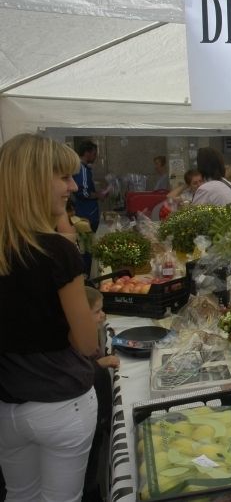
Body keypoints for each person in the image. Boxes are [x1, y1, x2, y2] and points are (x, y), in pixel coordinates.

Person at [0, 133, 99, 501]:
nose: (72, 186)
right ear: (33, 181)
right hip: (60, 403)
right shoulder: (56, 251)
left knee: (19, 494)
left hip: (8, 405)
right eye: (63, 177)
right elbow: (87, 343)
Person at [82, 286, 119, 502]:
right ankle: (90, 493)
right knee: (90, 464)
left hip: (98, 416)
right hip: (92, 421)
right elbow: (81, 372)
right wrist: (100, 364)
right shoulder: (78, 344)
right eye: (97, 311)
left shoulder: (88, 337)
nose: (103, 315)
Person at [72, 140, 106, 232]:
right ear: (87, 153)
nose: (96, 157)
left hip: (88, 214)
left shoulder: (84, 168)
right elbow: (84, 193)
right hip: (87, 215)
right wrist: (98, 195)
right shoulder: (82, 169)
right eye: (94, 154)